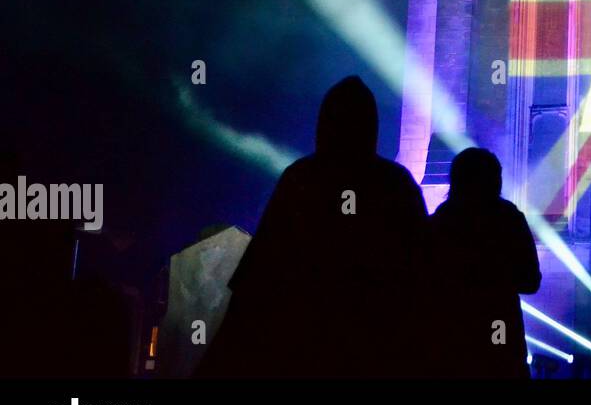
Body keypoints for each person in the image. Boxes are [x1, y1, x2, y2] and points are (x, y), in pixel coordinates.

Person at [198, 76, 428, 377]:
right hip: (377, 349)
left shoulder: (301, 180)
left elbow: (257, 277)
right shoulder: (395, 184)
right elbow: (425, 274)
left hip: (302, 346)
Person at [423, 148, 541, 378]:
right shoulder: (509, 217)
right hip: (501, 337)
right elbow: (531, 281)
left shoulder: (442, 220)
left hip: (452, 340)